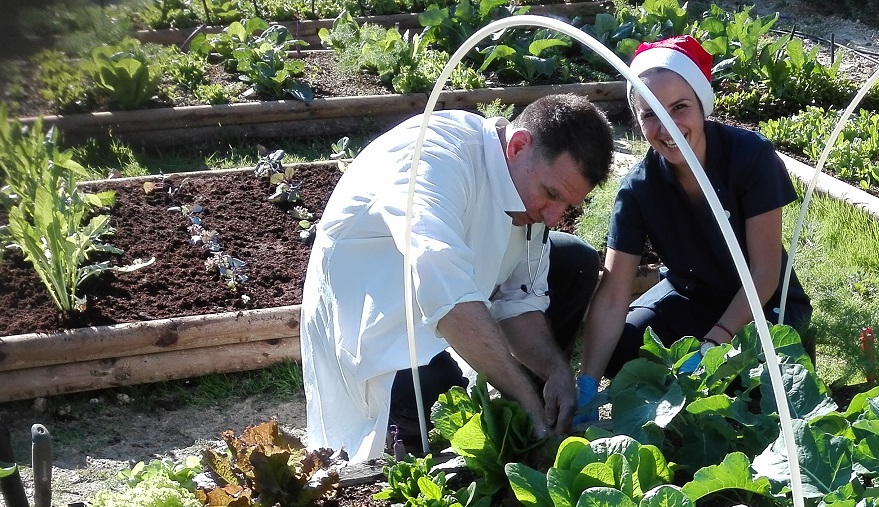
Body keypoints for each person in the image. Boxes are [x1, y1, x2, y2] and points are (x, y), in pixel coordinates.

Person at [301, 93, 614, 461]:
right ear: (518, 145)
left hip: (453, 293)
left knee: (574, 260)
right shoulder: (432, 158)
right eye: (551, 195)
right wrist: (526, 398)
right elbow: (448, 295)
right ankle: (411, 432)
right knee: (437, 406)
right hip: (376, 314)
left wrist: (555, 370)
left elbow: (518, 299)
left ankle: (530, 409)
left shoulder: (526, 191)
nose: (553, 216)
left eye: (567, 205)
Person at [578, 35, 810, 401]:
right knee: (621, 349)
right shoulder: (639, 188)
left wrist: (713, 343)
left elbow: (764, 273)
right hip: (688, 297)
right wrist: (587, 382)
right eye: (650, 113)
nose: (667, 127)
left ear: (702, 105)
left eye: (680, 107)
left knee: (757, 384)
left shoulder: (750, 158)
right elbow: (612, 295)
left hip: (762, 304)